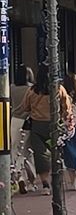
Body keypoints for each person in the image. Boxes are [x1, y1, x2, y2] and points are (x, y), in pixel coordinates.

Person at [19, 63, 71, 195]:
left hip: (37, 126)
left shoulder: (32, 91)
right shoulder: (59, 89)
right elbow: (67, 107)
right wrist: (65, 118)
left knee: (40, 155)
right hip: (54, 125)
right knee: (56, 153)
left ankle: (45, 185)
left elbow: (25, 107)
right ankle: (57, 181)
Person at [10, 65, 35, 194]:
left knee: (15, 150)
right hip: (28, 121)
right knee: (28, 151)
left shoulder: (12, 88)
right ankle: (31, 180)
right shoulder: (31, 89)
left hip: (15, 120)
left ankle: (19, 176)